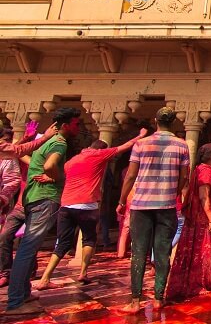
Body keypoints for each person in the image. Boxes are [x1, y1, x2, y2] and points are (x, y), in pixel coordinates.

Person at [35, 128, 148, 290]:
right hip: (87, 205)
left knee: (62, 243)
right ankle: (83, 272)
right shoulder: (98, 155)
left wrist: (48, 177)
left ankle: (45, 277)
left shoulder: (73, 160)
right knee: (89, 239)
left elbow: (60, 174)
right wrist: (140, 136)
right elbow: (125, 146)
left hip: (66, 205)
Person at [5, 108, 82, 315]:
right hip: (45, 199)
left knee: (29, 247)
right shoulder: (59, 142)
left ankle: (23, 293)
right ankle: (15, 303)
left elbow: (27, 158)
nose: (78, 127)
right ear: (65, 125)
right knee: (27, 249)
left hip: (31, 198)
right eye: (76, 124)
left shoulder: (46, 141)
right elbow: (49, 166)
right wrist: (56, 177)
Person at [117, 107, 189, 314]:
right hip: (166, 205)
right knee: (162, 252)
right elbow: (184, 176)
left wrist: (122, 200)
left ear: (155, 120)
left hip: (141, 205)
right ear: (174, 122)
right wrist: (173, 192)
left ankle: (135, 300)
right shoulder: (182, 145)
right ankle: (159, 298)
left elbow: (130, 175)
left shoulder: (142, 143)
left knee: (138, 252)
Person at [0, 121, 58, 290]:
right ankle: (6, 273)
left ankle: (25, 278)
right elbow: (13, 151)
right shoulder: (25, 160)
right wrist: (27, 138)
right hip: (20, 205)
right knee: (5, 237)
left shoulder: (48, 162)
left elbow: (15, 152)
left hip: (39, 206)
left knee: (28, 242)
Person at [166, 143, 211, 299]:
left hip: (204, 215)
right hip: (205, 217)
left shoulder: (201, 169)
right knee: (204, 247)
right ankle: (202, 280)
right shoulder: (205, 172)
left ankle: (209, 279)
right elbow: (203, 196)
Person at [0, 129, 21, 226]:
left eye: (10, 140)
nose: (8, 143)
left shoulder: (8, 159)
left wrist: (3, 199)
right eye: (6, 140)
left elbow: (12, 181)